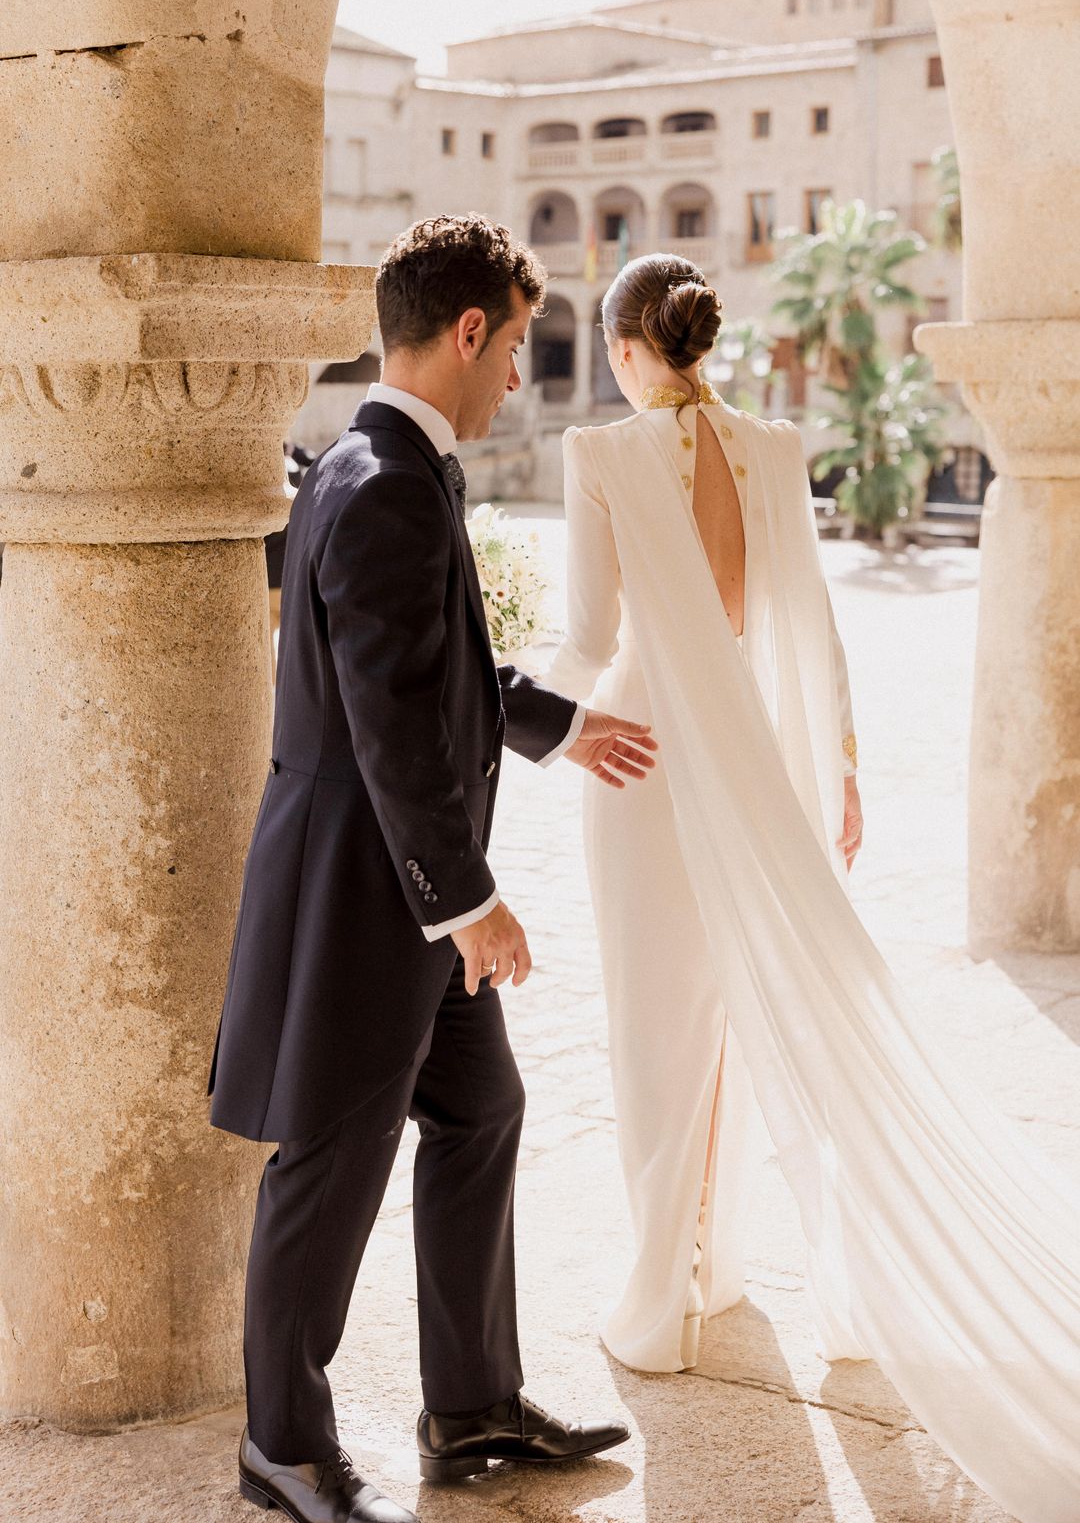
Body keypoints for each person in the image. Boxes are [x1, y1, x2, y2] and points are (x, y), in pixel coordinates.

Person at [545, 252, 1080, 1523]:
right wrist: (835, 772)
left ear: (626, 348)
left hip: (639, 756)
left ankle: (664, 1301)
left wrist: (494, 686)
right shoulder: (779, 448)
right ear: (700, 342)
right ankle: (714, 1268)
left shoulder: (599, 456)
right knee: (737, 1016)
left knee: (652, 1028)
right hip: (753, 752)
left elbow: (584, 637)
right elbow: (811, 628)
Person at [208, 215, 657, 1523]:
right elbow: (393, 721)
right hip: (377, 901)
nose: (520, 370)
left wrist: (556, 723)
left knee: (483, 1113)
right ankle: (281, 1446)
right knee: (328, 1167)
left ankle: (467, 1412)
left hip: (393, 889)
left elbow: (427, 666)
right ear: (468, 331)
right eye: (515, 343)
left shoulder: (380, 458)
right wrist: (471, 903)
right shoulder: (391, 481)